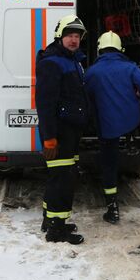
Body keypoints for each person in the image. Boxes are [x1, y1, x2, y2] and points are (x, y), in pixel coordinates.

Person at [84, 31, 140, 224]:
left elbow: (85, 98)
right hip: (130, 121)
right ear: (120, 49)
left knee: (109, 164)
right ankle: (131, 141)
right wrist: (136, 96)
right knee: (126, 123)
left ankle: (112, 206)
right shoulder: (130, 68)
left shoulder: (91, 72)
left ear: (99, 49)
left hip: (106, 128)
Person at [35, 14, 89, 245]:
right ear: (60, 36)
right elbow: (45, 104)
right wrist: (49, 138)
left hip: (69, 131)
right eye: (69, 35)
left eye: (77, 36)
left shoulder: (73, 61)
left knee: (60, 176)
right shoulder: (52, 62)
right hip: (58, 133)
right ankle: (57, 229)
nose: (74, 40)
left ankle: (49, 219)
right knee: (63, 179)